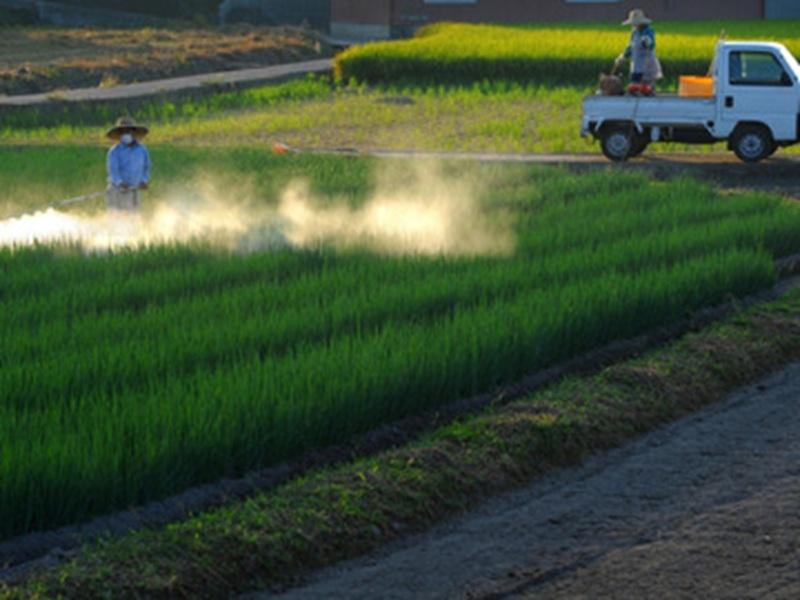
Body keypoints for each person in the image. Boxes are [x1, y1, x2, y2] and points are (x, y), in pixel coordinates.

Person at [106, 117, 151, 211]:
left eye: (128, 131)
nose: (126, 134)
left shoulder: (142, 150)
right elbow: (113, 171)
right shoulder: (114, 151)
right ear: (120, 134)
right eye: (123, 131)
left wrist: (144, 181)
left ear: (133, 132)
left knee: (134, 216)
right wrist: (120, 183)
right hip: (118, 190)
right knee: (117, 216)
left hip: (134, 190)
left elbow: (146, 167)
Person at [616, 9, 663, 95]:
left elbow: (651, 45)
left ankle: (649, 93)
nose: (633, 25)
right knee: (635, 82)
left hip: (647, 62)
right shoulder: (634, 33)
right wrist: (623, 56)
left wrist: (647, 41)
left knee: (647, 85)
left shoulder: (648, 31)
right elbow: (631, 46)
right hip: (636, 62)